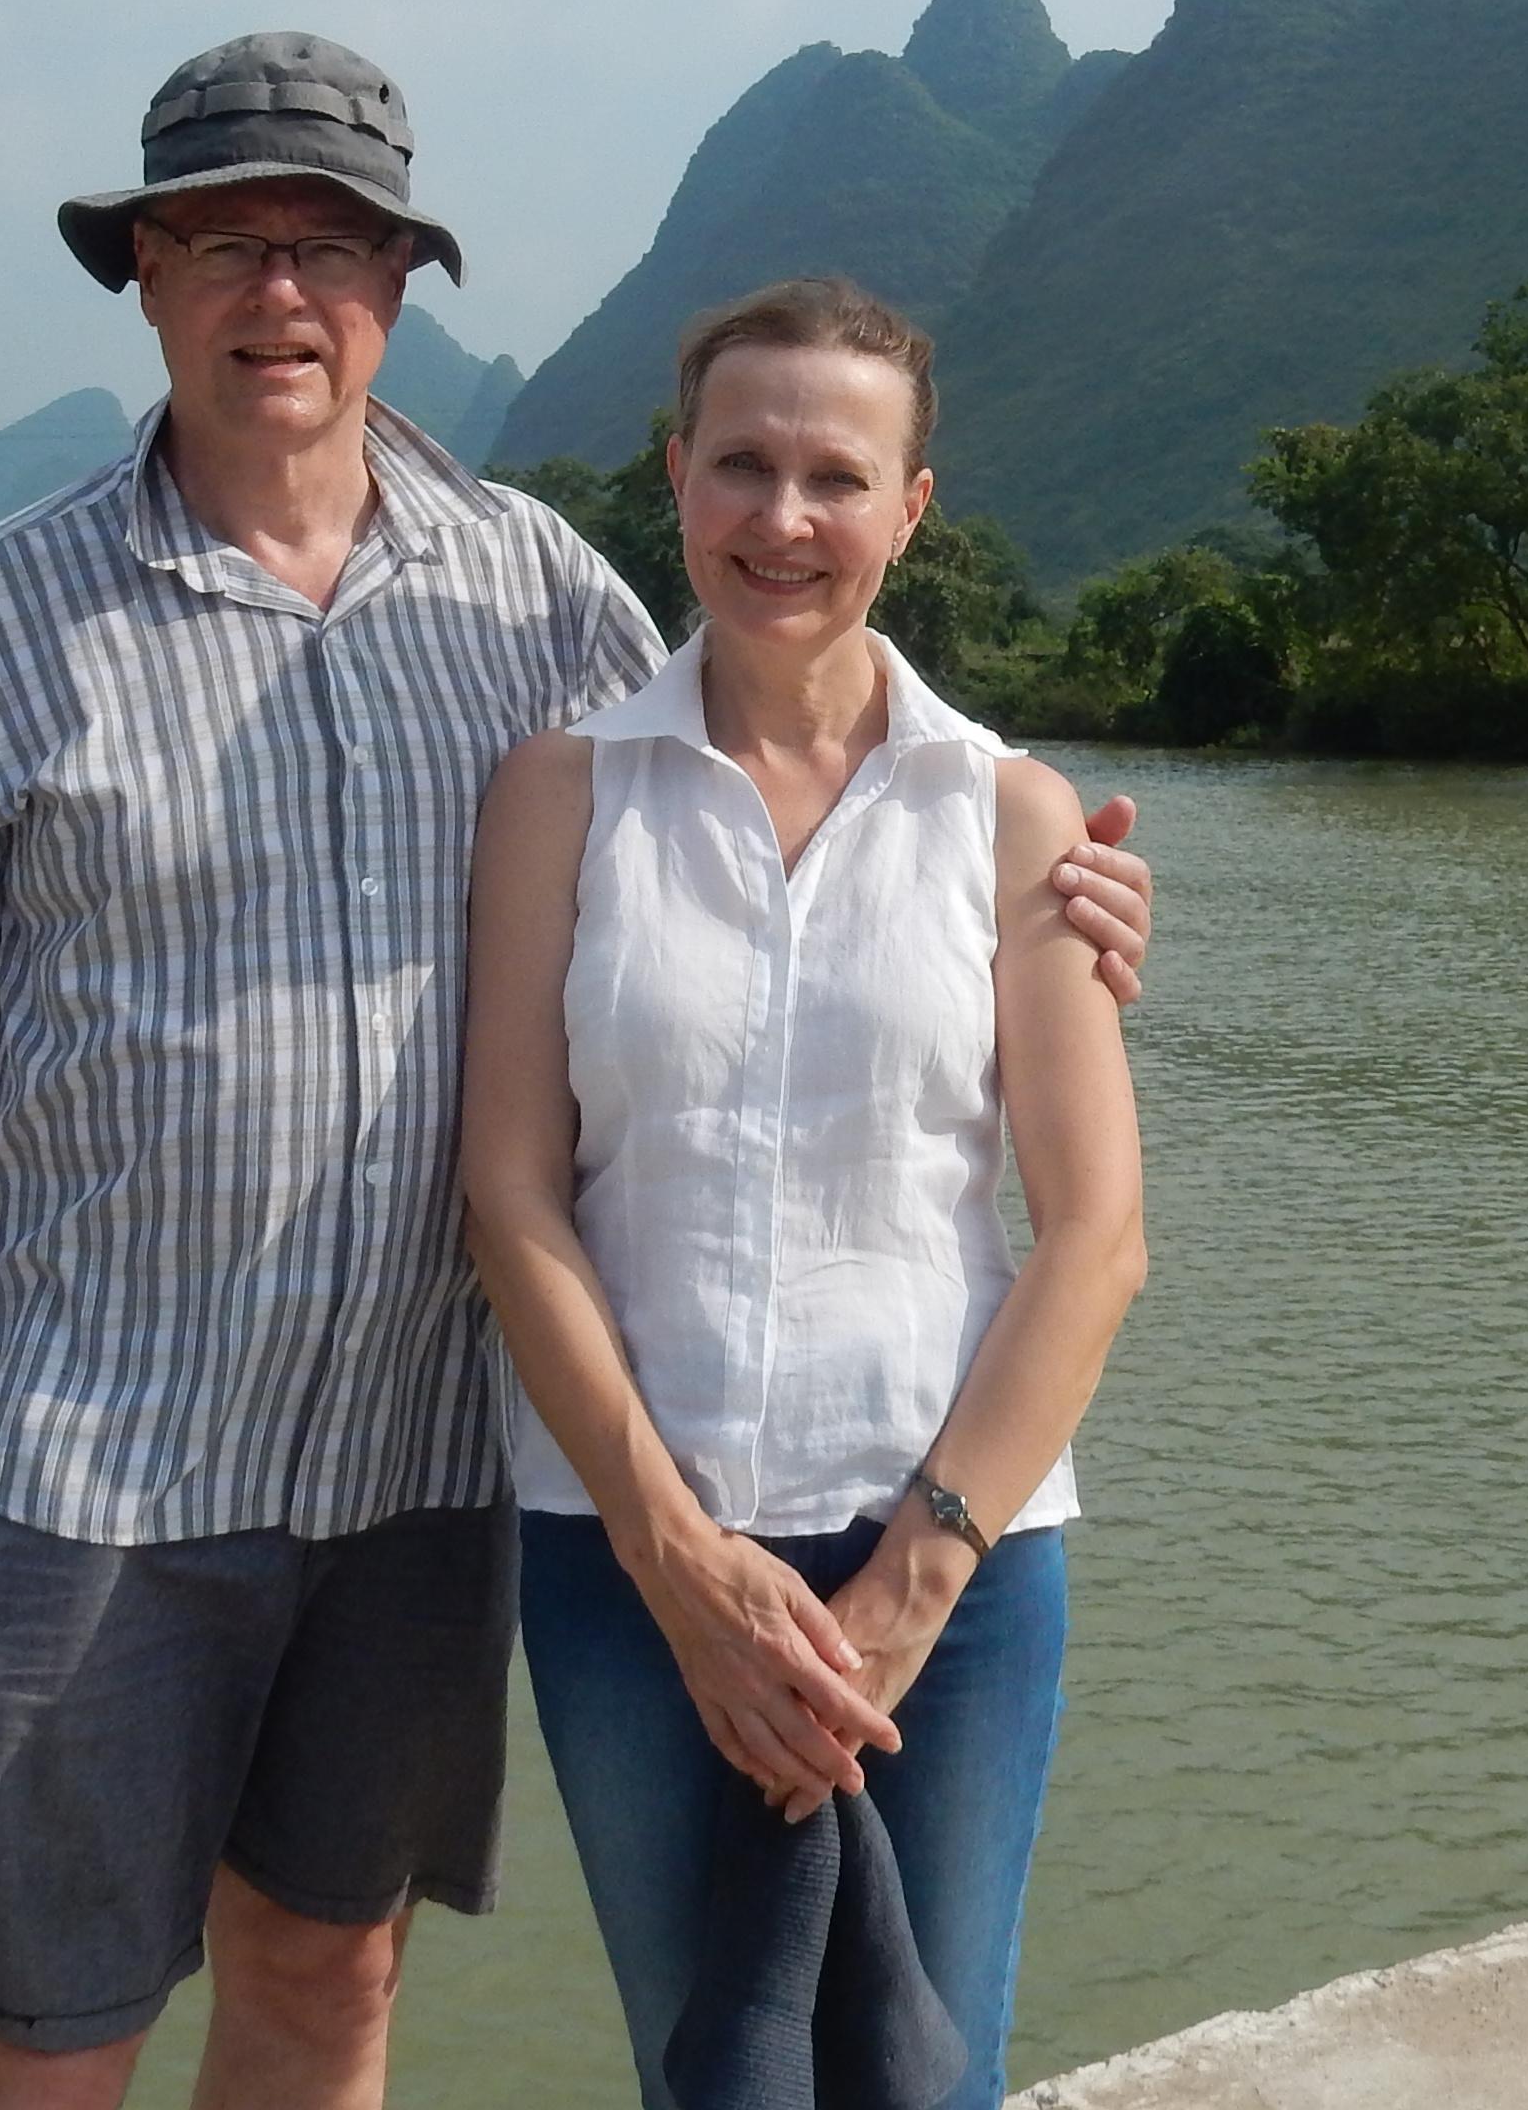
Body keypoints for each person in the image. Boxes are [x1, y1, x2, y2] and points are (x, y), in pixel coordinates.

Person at [0, 37, 1158, 2110]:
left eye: (332, 246)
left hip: (415, 1472)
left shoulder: (532, 597)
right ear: (144, 273)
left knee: (332, 1980)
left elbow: (772, 754)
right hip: (89, 1462)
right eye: (225, 242)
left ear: (400, 284)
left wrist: (1071, 897)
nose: (282, 292)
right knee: (49, 2026)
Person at [462, 277, 1148, 2110]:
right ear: (674, 477)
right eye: (741, 465)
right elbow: (512, 1193)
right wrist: (678, 1564)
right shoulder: (560, 797)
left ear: (910, 509)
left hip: (957, 1562)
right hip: (628, 1563)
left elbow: (1096, 1235)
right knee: (715, 2070)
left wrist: (913, 1582)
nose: (784, 518)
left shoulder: (1009, 814)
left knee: (927, 2072)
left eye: (837, 477)